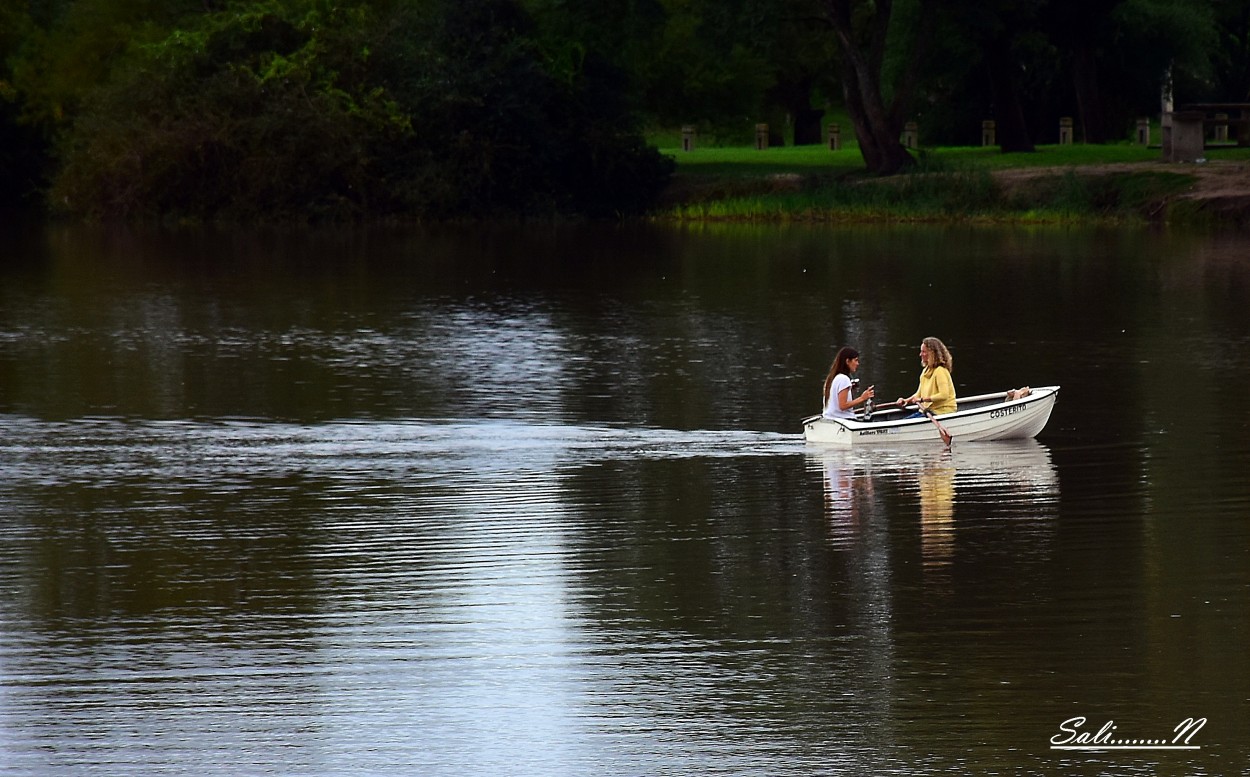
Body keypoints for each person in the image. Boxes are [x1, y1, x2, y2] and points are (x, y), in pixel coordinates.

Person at [897, 337, 957, 415]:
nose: (920, 354)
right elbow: (918, 394)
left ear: (932, 353)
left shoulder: (940, 371)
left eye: (923, 352)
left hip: (942, 412)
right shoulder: (925, 371)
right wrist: (906, 401)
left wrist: (922, 400)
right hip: (928, 411)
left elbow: (944, 395)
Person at [822, 347, 875, 419]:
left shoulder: (831, 378)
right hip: (843, 421)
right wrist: (862, 398)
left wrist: (849, 389)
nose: (857, 364)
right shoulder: (844, 379)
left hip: (829, 418)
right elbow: (843, 406)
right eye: (855, 360)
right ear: (847, 361)